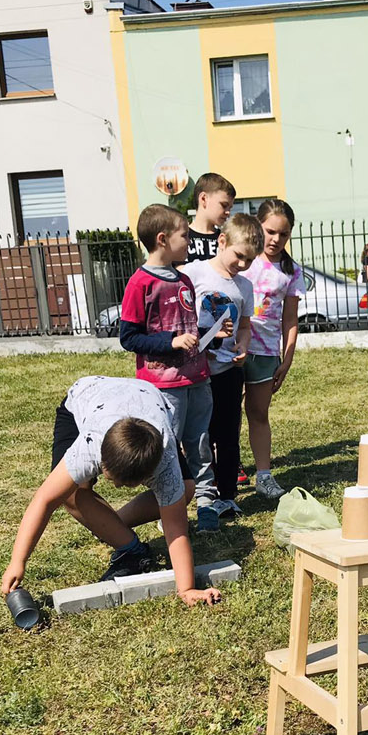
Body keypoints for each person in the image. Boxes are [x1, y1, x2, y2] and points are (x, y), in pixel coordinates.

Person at [0, 374, 220, 607]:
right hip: (86, 396)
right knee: (71, 492)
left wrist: (186, 589)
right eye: (113, 479)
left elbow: (176, 530)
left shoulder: (165, 463)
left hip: (149, 404)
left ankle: (110, 526)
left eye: (124, 484)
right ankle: (129, 547)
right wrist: (17, 561)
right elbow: (44, 500)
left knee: (184, 490)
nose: (116, 486)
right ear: (100, 460)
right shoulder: (88, 447)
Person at [118, 204, 218, 524]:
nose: (190, 241)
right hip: (164, 387)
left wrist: (212, 334)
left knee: (200, 443)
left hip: (198, 378)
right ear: (162, 239)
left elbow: (188, 328)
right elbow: (129, 337)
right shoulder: (140, 283)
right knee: (168, 447)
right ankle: (169, 504)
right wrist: (170, 342)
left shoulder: (184, 280)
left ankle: (206, 501)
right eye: (185, 235)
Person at [183, 214, 261, 526]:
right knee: (200, 435)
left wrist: (243, 346)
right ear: (222, 241)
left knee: (228, 434)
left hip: (228, 371)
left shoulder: (244, 286)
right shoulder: (194, 273)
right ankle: (199, 493)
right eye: (239, 256)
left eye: (250, 260)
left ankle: (227, 495)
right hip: (197, 371)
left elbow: (245, 326)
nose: (243, 264)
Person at [240, 198, 304, 500]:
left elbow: (290, 319)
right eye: (270, 231)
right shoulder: (243, 260)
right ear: (258, 226)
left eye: (284, 234)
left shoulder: (291, 272)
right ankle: (223, 471)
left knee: (258, 413)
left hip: (265, 354)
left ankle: (263, 475)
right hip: (231, 351)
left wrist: (286, 359)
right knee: (224, 414)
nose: (276, 239)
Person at [187, 172, 236, 262]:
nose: (228, 212)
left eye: (230, 208)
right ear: (204, 199)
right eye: (224, 205)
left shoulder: (225, 239)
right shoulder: (182, 237)